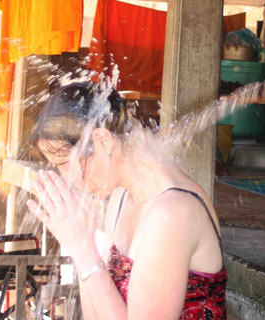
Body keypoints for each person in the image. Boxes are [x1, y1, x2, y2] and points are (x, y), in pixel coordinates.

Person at [26, 81, 227, 320]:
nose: (67, 180)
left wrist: (84, 249)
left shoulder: (172, 214)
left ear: (103, 142)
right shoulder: (122, 197)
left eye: (64, 165)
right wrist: (82, 247)